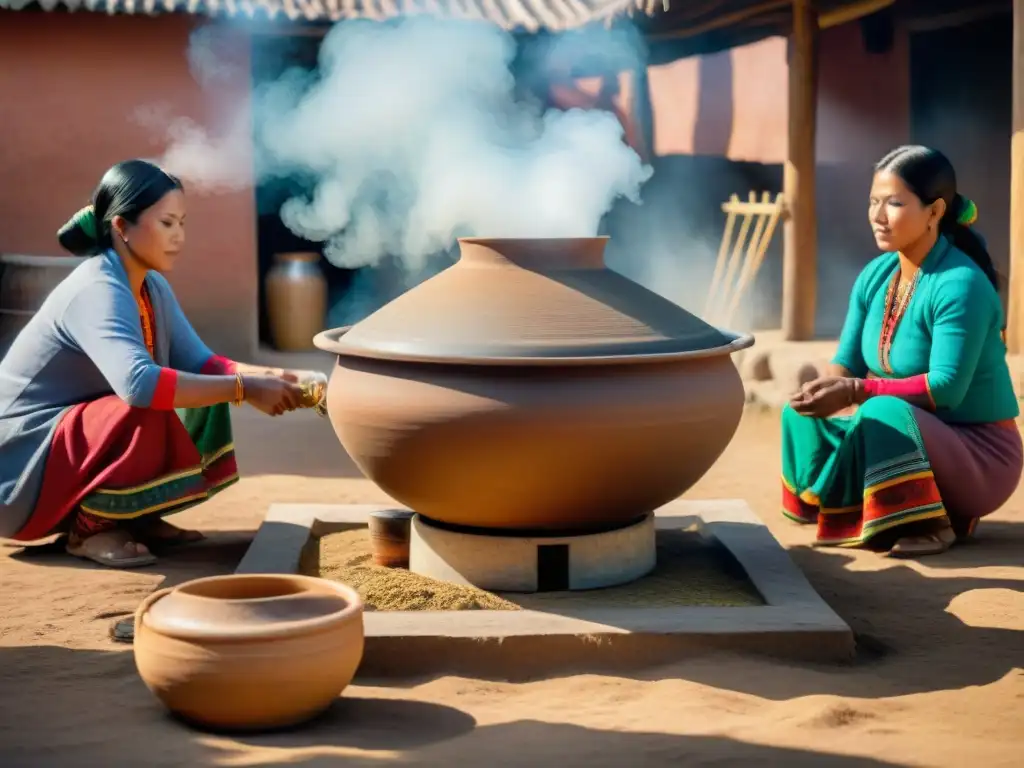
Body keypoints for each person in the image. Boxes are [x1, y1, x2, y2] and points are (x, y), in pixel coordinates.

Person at [0, 159, 319, 568]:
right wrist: (246, 389)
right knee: (147, 404)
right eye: (167, 223)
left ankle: (136, 516)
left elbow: (203, 364)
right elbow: (139, 385)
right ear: (121, 227)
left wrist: (268, 376)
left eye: (183, 223)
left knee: (202, 394)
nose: (179, 237)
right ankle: (90, 531)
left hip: (59, 456)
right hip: (18, 474)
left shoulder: (151, 285)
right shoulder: (97, 287)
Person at [781, 145, 1022, 558]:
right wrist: (825, 388)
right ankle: (849, 502)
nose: (877, 216)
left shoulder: (959, 284)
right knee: (798, 412)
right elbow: (848, 363)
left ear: (934, 212)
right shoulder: (876, 275)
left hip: (978, 455)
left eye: (894, 203)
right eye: (873, 202)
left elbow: (946, 389)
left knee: (879, 411)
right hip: (906, 431)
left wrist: (857, 391)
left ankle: (932, 523)